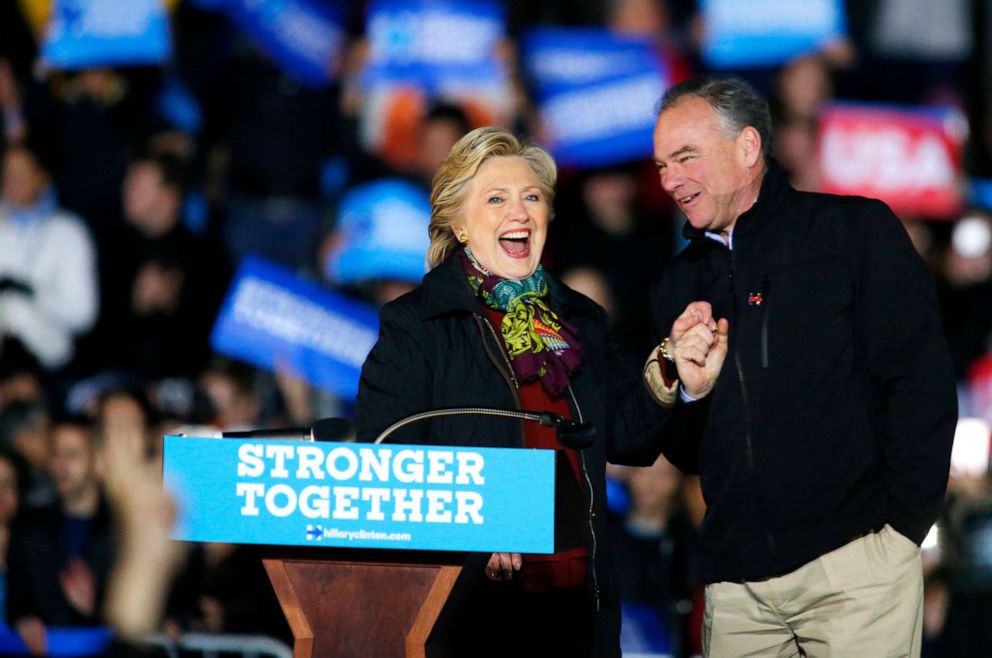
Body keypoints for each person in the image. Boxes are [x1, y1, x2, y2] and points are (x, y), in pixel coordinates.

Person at [645, 75, 958, 657]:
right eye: (662, 165)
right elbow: (688, 452)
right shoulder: (677, 285)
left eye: (686, 158)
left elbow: (920, 384)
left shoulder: (853, 234)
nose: (670, 181)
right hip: (738, 590)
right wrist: (686, 393)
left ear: (746, 148)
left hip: (856, 569)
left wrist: (898, 535)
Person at [355, 127, 672, 657]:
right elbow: (387, 461)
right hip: (472, 608)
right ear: (458, 223)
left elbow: (627, 438)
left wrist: (669, 375)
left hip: (577, 599)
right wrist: (482, 524)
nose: (519, 212)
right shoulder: (418, 325)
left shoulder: (579, 320)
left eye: (531, 197)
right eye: (496, 199)